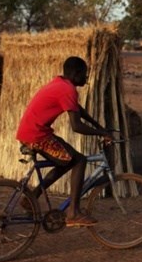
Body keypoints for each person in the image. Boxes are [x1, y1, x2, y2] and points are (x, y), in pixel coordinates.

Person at [16, 56, 112, 227]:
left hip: (34, 132)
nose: (86, 78)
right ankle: (73, 212)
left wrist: (100, 128)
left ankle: (31, 197)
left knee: (66, 160)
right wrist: (100, 133)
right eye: (84, 74)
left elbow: (78, 110)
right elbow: (76, 126)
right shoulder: (68, 90)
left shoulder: (61, 84)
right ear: (76, 74)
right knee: (79, 160)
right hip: (38, 136)